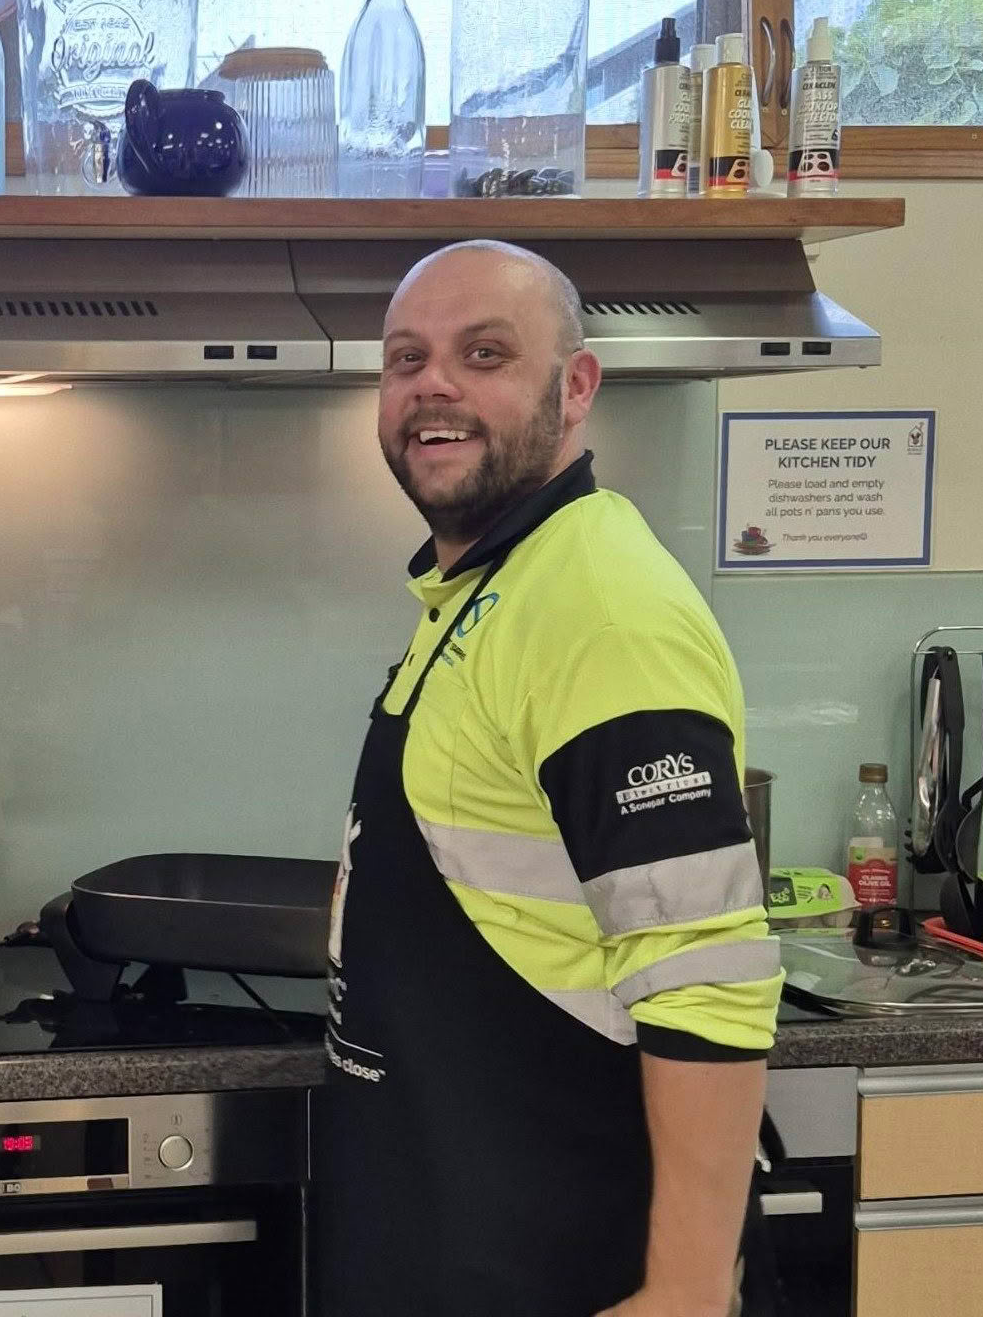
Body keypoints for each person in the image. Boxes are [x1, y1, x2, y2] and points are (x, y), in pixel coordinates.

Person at [314, 241, 783, 1317]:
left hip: (569, 1261)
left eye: (484, 353)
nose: (433, 385)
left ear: (575, 388)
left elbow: (705, 976)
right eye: (405, 359)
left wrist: (686, 1289)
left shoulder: (599, 612)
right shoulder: (489, 588)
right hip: (461, 1230)